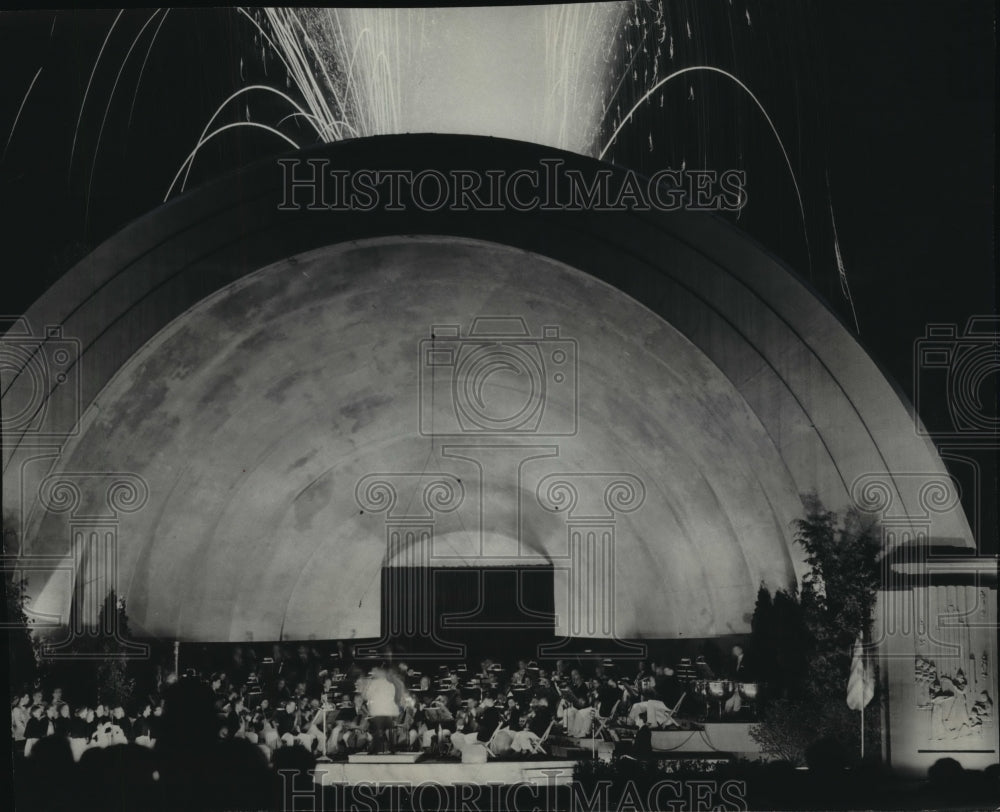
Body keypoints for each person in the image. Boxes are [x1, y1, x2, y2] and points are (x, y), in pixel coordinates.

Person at [364, 665, 400, 755]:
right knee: (383, 727)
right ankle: (391, 748)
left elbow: (367, 696)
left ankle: (376, 748)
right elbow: (392, 698)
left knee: (377, 727)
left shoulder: (374, 683)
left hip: (380, 712)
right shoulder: (390, 685)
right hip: (388, 712)